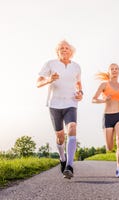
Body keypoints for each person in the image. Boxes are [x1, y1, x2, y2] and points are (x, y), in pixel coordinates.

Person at [36, 40, 83, 179]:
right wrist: (49, 80)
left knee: (72, 127)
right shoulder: (50, 64)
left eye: (67, 48)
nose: (64, 50)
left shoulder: (76, 67)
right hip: (54, 104)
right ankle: (62, 158)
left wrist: (81, 93)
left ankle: (69, 165)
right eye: (61, 48)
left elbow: (79, 84)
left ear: (71, 51)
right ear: (57, 51)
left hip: (71, 103)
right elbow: (38, 82)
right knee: (60, 136)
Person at [92, 63, 119, 178]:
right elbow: (93, 99)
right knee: (110, 147)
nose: (114, 70)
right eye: (112, 69)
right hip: (107, 117)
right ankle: (110, 139)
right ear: (109, 72)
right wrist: (104, 100)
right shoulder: (104, 84)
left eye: (116, 68)